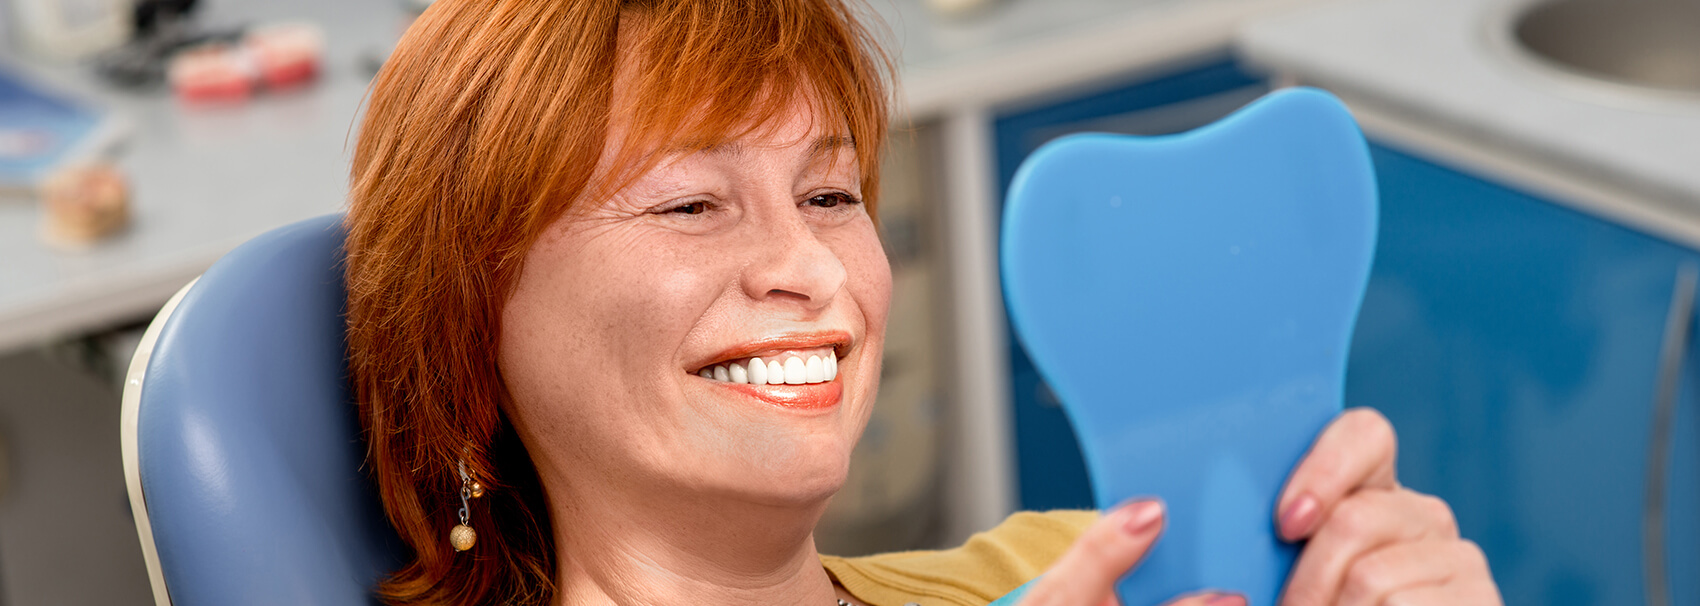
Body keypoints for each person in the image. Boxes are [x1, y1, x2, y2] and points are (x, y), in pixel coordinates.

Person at [342, 1, 1503, 604]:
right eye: (689, 206)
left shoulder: (1089, 571)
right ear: (467, 324)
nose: (812, 267)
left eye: (831, 192)